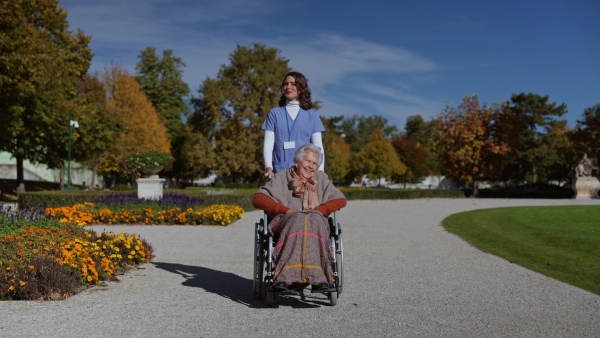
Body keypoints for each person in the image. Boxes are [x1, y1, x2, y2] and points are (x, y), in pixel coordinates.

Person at [253, 144, 346, 291]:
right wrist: (283, 210)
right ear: (297, 161)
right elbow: (258, 198)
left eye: (314, 163)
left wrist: (320, 210)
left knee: (312, 218)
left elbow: (340, 199)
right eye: (308, 161)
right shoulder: (282, 177)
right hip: (287, 222)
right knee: (298, 219)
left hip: (316, 222)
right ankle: (284, 277)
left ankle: (318, 278)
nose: (311, 166)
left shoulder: (321, 179)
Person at [262, 71, 326, 180]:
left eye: (293, 84)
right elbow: (268, 143)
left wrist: (321, 170)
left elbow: (318, 146)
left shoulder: (312, 114)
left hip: (305, 172)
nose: (288, 87)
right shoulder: (274, 113)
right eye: (286, 84)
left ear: (301, 88)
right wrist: (269, 168)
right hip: (280, 170)